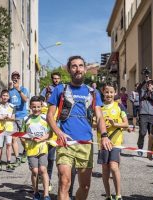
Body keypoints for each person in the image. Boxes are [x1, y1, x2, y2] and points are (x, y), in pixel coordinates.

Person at [47, 55, 111, 200]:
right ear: (69, 69)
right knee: (64, 181)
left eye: (80, 65)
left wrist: (105, 136)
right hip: (65, 142)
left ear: (85, 69)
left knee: (85, 187)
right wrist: (58, 132)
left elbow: (100, 117)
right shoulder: (60, 89)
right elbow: (50, 115)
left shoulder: (92, 93)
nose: (78, 69)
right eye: (74, 66)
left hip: (86, 143)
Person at [97, 82, 129, 200]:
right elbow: (94, 123)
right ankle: (108, 195)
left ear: (115, 93)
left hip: (116, 142)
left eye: (111, 92)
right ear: (103, 93)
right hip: (103, 142)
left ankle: (118, 194)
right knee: (105, 169)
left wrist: (114, 124)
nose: (109, 94)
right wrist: (101, 124)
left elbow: (126, 124)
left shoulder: (119, 106)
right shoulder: (99, 107)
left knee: (114, 167)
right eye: (107, 92)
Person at [22, 96, 51, 200]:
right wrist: (25, 145)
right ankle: (36, 192)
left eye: (38, 107)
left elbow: (49, 134)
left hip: (43, 147)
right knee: (34, 171)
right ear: (30, 107)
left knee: (43, 169)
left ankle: (46, 194)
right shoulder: (26, 119)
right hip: (31, 149)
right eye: (34, 107)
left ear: (41, 106)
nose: (36, 109)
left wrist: (42, 138)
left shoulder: (45, 118)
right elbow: (22, 135)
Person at [40, 71, 61, 191]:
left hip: (54, 137)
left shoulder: (63, 90)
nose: (56, 80)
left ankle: (48, 180)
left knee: (51, 159)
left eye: (58, 78)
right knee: (43, 159)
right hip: (42, 137)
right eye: (54, 78)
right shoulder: (41, 106)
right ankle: (44, 179)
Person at [0, 89, 15, 172]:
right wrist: (1, 118)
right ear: (1, 97)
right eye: (3, 95)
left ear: (9, 97)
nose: (5, 97)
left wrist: (8, 118)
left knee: (9, 145)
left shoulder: (12, 106)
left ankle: (8, 163)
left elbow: (13, 118)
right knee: (0, 146)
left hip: (9, 128)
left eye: (6, 96)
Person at [8, 71, 29, 166]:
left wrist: (18, 90)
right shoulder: (10, 91)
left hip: (22, 116)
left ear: (19, 79)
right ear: (12, 79)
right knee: (13, 139)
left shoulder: (24, 89)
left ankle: (26, 150)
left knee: (23, 139)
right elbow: (7, 102)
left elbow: (25, 100)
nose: (15, 79)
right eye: (14, 77)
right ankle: (17, 158)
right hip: (13, 118)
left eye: (17, 77)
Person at [137, 78, 153, 156]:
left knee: (151, 134)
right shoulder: (142, 92)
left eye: (151, 84)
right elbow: (138, 88)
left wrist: (152, 91)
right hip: (143, 115)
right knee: (142, 133)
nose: (149, 85)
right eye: (148, 84)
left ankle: (150, 151)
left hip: (152, 116)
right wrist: (144, 80)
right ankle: (140, 147)